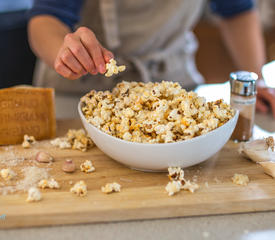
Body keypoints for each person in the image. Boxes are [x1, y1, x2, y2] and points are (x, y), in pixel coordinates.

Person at [27, 0, 275, 117]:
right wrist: (65, 50)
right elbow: (46, 18)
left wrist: (256, 80)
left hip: (173, 86)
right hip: (81, 91)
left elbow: (237, 11)